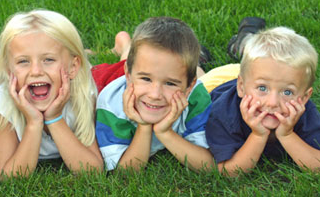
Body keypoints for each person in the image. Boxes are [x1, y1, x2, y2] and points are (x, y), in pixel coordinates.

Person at [0, 10, 103, 178]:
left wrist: (54, 119)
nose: (36, 71)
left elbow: (92, 170)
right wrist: (34, 122)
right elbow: (9, 177)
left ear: (73, 68)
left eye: (48, 60)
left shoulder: (83, 94)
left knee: (13, 68)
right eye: (24, 61)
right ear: (9, 70)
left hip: (17, 76)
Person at [93, 17, 213, 171]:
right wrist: (144, 126)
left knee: (150, 67)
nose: (155, 95)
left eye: (170, 83)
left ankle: (130, 52)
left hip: (140, 73)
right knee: (124, 61)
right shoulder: (111, 104)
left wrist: (165, 132)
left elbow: (208, 166)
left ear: (189, 86)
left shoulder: (196, 97)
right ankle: (124, 46)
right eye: (146, 78)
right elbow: (124, 173)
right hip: (108, 77)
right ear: (128, 76)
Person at [205, 26, 320, 176]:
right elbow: (229, 172)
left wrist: (287, 135)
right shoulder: (223, 113)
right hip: (217, 80)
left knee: (253, 67)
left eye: (287, 92)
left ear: (304, 98)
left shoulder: (304, 112)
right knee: (195, 76)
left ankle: (244, 41)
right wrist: (258, 136)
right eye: (263, 89)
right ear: (241, 87)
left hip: (253, 77)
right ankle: (204, 56)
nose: (272, 103)